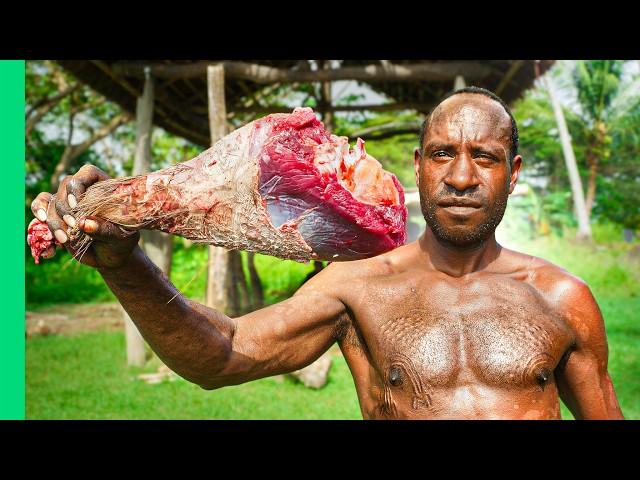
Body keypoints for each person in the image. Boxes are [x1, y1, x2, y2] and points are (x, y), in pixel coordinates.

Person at [31, 86, 624, 419]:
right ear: (417, 167)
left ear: (512, 173)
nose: (461, 177)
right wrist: (124, 262)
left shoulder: (560, 298)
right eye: (442, 154)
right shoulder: (359, 286)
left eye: (485, 158)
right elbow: (222, 355)